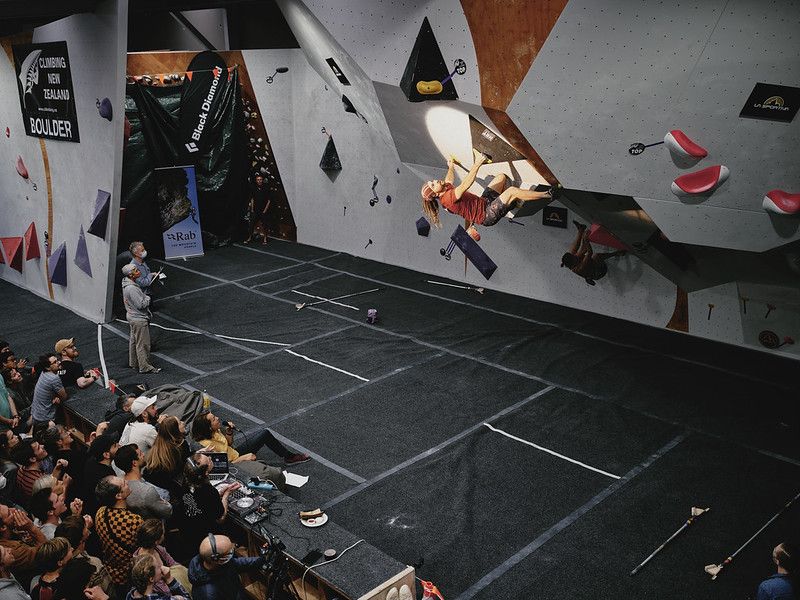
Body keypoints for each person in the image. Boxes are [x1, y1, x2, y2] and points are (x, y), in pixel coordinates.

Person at [420, 150, 556, 236]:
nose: (435, 181)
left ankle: (511, 203)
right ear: (435, 194)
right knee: (512, 191)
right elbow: (466, 184)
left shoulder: (445, 189)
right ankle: (547, 195)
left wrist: (451, 167)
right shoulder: (448, 199)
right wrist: (478, 162)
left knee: (501, 177)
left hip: (484, 202)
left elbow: (448, 180)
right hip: (486, 215)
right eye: (433, 184)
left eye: (432, 181)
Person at [171, 453, 240, 562]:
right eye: (209, 460)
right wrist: (226, 494)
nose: (210, 458)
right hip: (206, 536)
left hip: (189, 533)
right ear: (206, 472)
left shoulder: (186, 482)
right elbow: (221, 518)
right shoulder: (207, 491)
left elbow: (200, 500)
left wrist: (218, 494)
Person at [191, 410, 309, 466]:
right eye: (213, 419)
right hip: (235, 464)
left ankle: (289, 457)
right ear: (208, 427)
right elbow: (225, 466)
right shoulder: (206, 446)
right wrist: (244, 457)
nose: (217, 418)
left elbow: (229, 444)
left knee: (264, 433)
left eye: (214, 416)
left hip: (235, 453)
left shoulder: (216, 431)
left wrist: (229, 432)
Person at [94, 476, 144, 590]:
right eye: (124, 484)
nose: (127, 481)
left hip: (110, 572)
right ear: (118, 496)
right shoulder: (134, 520)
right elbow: (142, 549)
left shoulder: (100, 512)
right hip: (130, 575)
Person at [188, 533, 268, 600]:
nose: (234, 548)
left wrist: (264, 558)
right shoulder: (207, 594)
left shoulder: (220, 564)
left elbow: (239, 563)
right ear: (218, 559)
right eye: (230, 552)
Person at [114, 444, 172, 520]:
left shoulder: (119, 481)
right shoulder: (147, 491)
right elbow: (167, 512)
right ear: (134, 463)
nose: (144, 455)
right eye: (141, 454)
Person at [122, 264, 161, 374]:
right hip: (138, 318)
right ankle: (145, 366)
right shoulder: (131, 288)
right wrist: (147, 298)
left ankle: (134, 362)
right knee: (143, 344)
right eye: (135, 270)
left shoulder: (126, 282)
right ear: (130, 275)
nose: (138, 271)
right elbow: (141, 304)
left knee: (134, 341)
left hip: (132, 316)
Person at [561, 221, 626, 286]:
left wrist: (584, 238)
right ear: (573, 263)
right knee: (596, 256)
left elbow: (580, 249)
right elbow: (590, 252)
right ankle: (617, 253)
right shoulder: (579, 268)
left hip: (587, 265)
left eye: (573, 256)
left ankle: (581, 230)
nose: (575, 255)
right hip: (598, 272)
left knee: (578, 249)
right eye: (574, 257)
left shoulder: (572, 259)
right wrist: (586, 241)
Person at [142, 416, 190, 498]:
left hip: (150, 483)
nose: (183, 423)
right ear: (175, 430)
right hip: (166, 489)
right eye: (179, 423)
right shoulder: (180, 446)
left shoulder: (159, 443)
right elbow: (185, 466)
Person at [30, 355, 67, 427]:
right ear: (47, 367)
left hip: (36, 413)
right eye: (55, 362)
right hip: (46, 418)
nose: (59, 362)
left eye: (58, 360)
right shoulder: (53, 378)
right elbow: (64, 396)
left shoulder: (43, 373)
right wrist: (59, 397)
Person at [244, 174, 271, 245]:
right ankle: (249, 237)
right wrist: (252, 209)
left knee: (265, 225)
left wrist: (265, 210)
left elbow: (268, 200)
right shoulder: (254, 188)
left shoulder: (266, 188)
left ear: (262, 180)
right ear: (256, 181)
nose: (259, 181)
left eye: (260, 179)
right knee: (251, 224)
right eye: (258, 180)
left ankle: (265, 238)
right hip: (255, 210)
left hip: (263, 210)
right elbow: (252, 198)